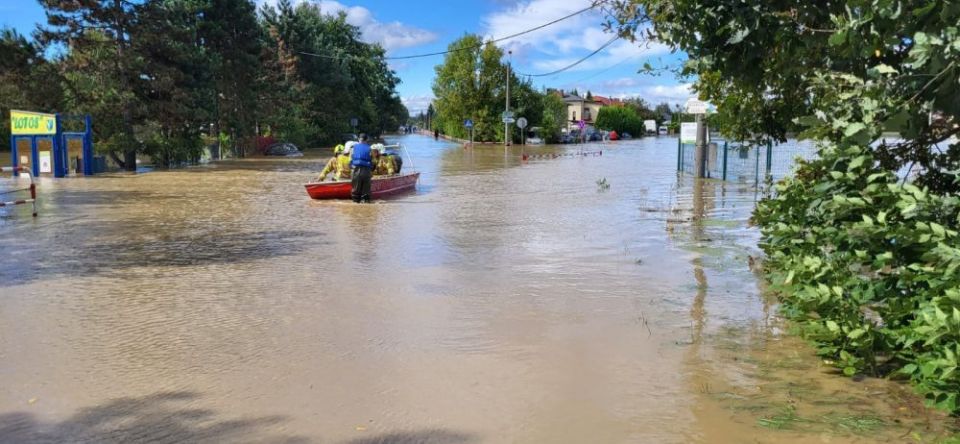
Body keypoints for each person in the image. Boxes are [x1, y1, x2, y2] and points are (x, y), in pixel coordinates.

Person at [350, 134, 373, 203]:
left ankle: (355, 205)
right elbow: (373, 161)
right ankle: (366, 205)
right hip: (366, 170)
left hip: (355, 170)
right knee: (366, 192)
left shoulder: (353, 148)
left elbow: (350, 160)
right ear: (367, 140)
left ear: (359, 139)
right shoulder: (370, 148)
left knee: (355, 191)